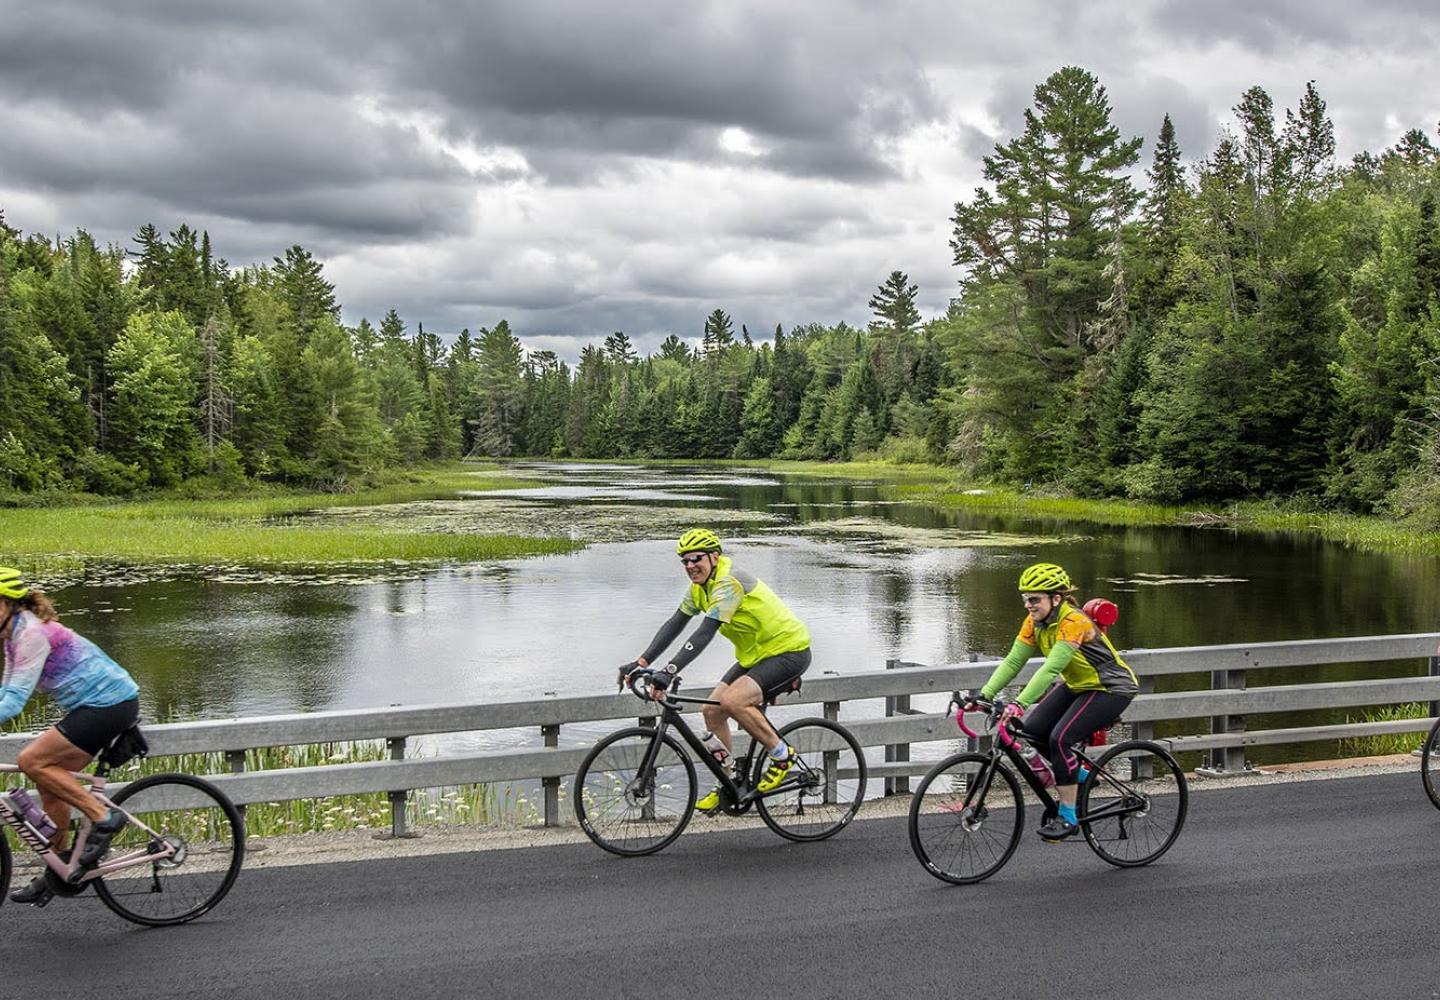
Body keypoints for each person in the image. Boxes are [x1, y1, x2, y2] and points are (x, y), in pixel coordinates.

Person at [619, 529, 811, 813]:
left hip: (788, 649)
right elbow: (676, 622)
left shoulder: (728, 583)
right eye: (684, 561)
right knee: (712, 711)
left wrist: (669, 671)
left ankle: (782, 756)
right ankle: (730, 781)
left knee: (732, 701)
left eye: (695, 559)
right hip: (755, 655)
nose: (689, 566)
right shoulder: (700, 587)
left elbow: (705, 633)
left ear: (714, 557)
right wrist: (642, 662)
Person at [0, 567, 141, 905]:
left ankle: (104, 817)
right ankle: (61, 866)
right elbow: (6, 690)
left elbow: (15, 702)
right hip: (94, 706)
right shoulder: (12, 634)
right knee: (49, 785)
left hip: (110, 703)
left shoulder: (32, 633)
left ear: (7, 603)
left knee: (30, 760)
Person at [972, 562, 1137, 841]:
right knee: (1033, 732)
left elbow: (1049, 669)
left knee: (1059, 739)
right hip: (1078, 685)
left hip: (1111, 688)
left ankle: (1068, 816)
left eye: (1034, 599)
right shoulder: (1035, 622)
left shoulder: (1074, 622)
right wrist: (984, 695)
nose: (1028, 604)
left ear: (1056, 598)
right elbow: (1013, 661)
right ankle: (1083, 777)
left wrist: (1019, 704)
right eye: (1025, 598)